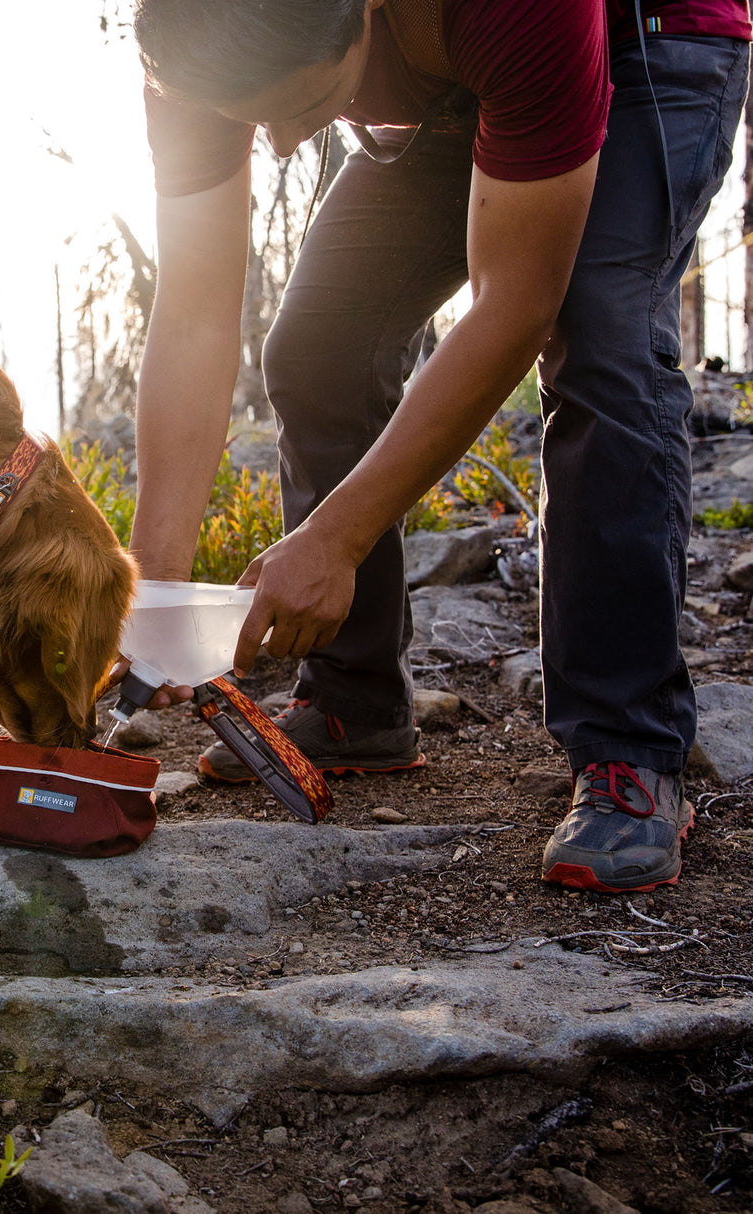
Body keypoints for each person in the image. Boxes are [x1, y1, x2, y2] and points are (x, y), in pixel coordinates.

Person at [127, 0, 751, 893]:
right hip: (440, 73)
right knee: (320, 345)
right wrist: (150, 592)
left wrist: (335, 541)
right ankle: (356, 701)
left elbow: (512, 309)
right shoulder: (193, 39)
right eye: (250, 118)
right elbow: (191, 311)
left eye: (307, 108)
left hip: (643, 43)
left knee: (599, 332)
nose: (282, 146)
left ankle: (630, 749)